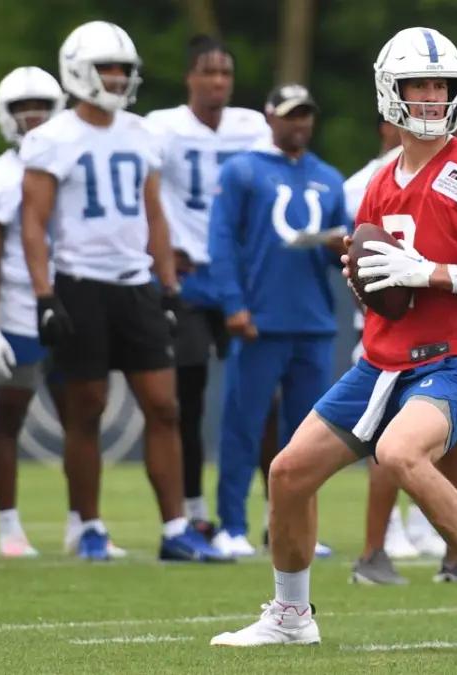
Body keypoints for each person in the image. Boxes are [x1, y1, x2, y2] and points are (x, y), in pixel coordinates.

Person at [211, 27, 457, 656]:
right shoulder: (380, 182)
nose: (428, 96)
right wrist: (366, 279)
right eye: (417, 84)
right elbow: (382, 279)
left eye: (439, 85)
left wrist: (432, 273)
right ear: (390, 93)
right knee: (287, 473)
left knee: (399, 454)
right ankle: (290, 611)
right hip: (386, 359)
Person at [19, 20, 224, 562]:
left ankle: (176, 527)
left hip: (137, 287)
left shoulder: (141, 133)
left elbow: (154, 214)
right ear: (79, 71)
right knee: (85, 409)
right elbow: (33, 223)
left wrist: (170, 286)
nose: (116, 78)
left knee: (164, 407)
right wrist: (44, 296)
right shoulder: (51, 138)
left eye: (123, 70)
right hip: (80, 285)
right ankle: (88, 526)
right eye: (107, 68)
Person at [206, 83, 350, 558]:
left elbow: (340, 257)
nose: (300, 124)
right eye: (290, 115)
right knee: (243, 426)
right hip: (260, 320)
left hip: (312, 322)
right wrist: (233, 303)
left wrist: (341, 248)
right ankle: (230, 525)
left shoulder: (328, 177)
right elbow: (223, 240)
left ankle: (292, 529)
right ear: (269, 118)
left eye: (306, 115)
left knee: (306, 438)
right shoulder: (243, 170)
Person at [350, 93, 457, 586]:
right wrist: (369, 295)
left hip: (455, 341)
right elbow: (347, 245)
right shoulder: (376, 178)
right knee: (391, 443)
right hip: (388, 339)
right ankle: (373, 550)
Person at [144, 35, 272, 537]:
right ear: (189, 78)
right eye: (208, 72)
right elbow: (142, 192)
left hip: (241, 280)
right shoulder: (162, 128)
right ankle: (195, 510)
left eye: (226, 73)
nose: (218, 81)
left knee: (264, 400)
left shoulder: (254, 128)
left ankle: (274, 509)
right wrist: (156, 252)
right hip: (190, 277)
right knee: (185, 400)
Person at [0, 66, 73, 558]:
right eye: (19, 107)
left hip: (75, 304)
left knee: (82, 414)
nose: (31, 116)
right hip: (17, 309)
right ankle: (9, 525)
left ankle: (83, 522)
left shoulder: (78, 160)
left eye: (39, 106)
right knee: (10, 416)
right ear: (4, 114)